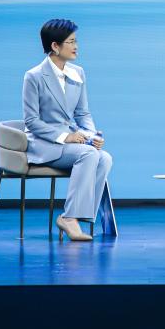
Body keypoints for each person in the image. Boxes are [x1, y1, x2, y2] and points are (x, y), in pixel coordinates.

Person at [23, 18, 113, 242]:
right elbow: (32, 121)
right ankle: (70, 218)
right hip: (45, 144)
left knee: (105, 158)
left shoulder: (78, 73)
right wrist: (66, 137)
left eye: (76, 41)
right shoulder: (33, 76)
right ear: (55, 46)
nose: (76, 46)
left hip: (72, 143)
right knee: (88, 154)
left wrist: (92, 136)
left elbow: (83, 113)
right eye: (71, 42)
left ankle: (78, 216)